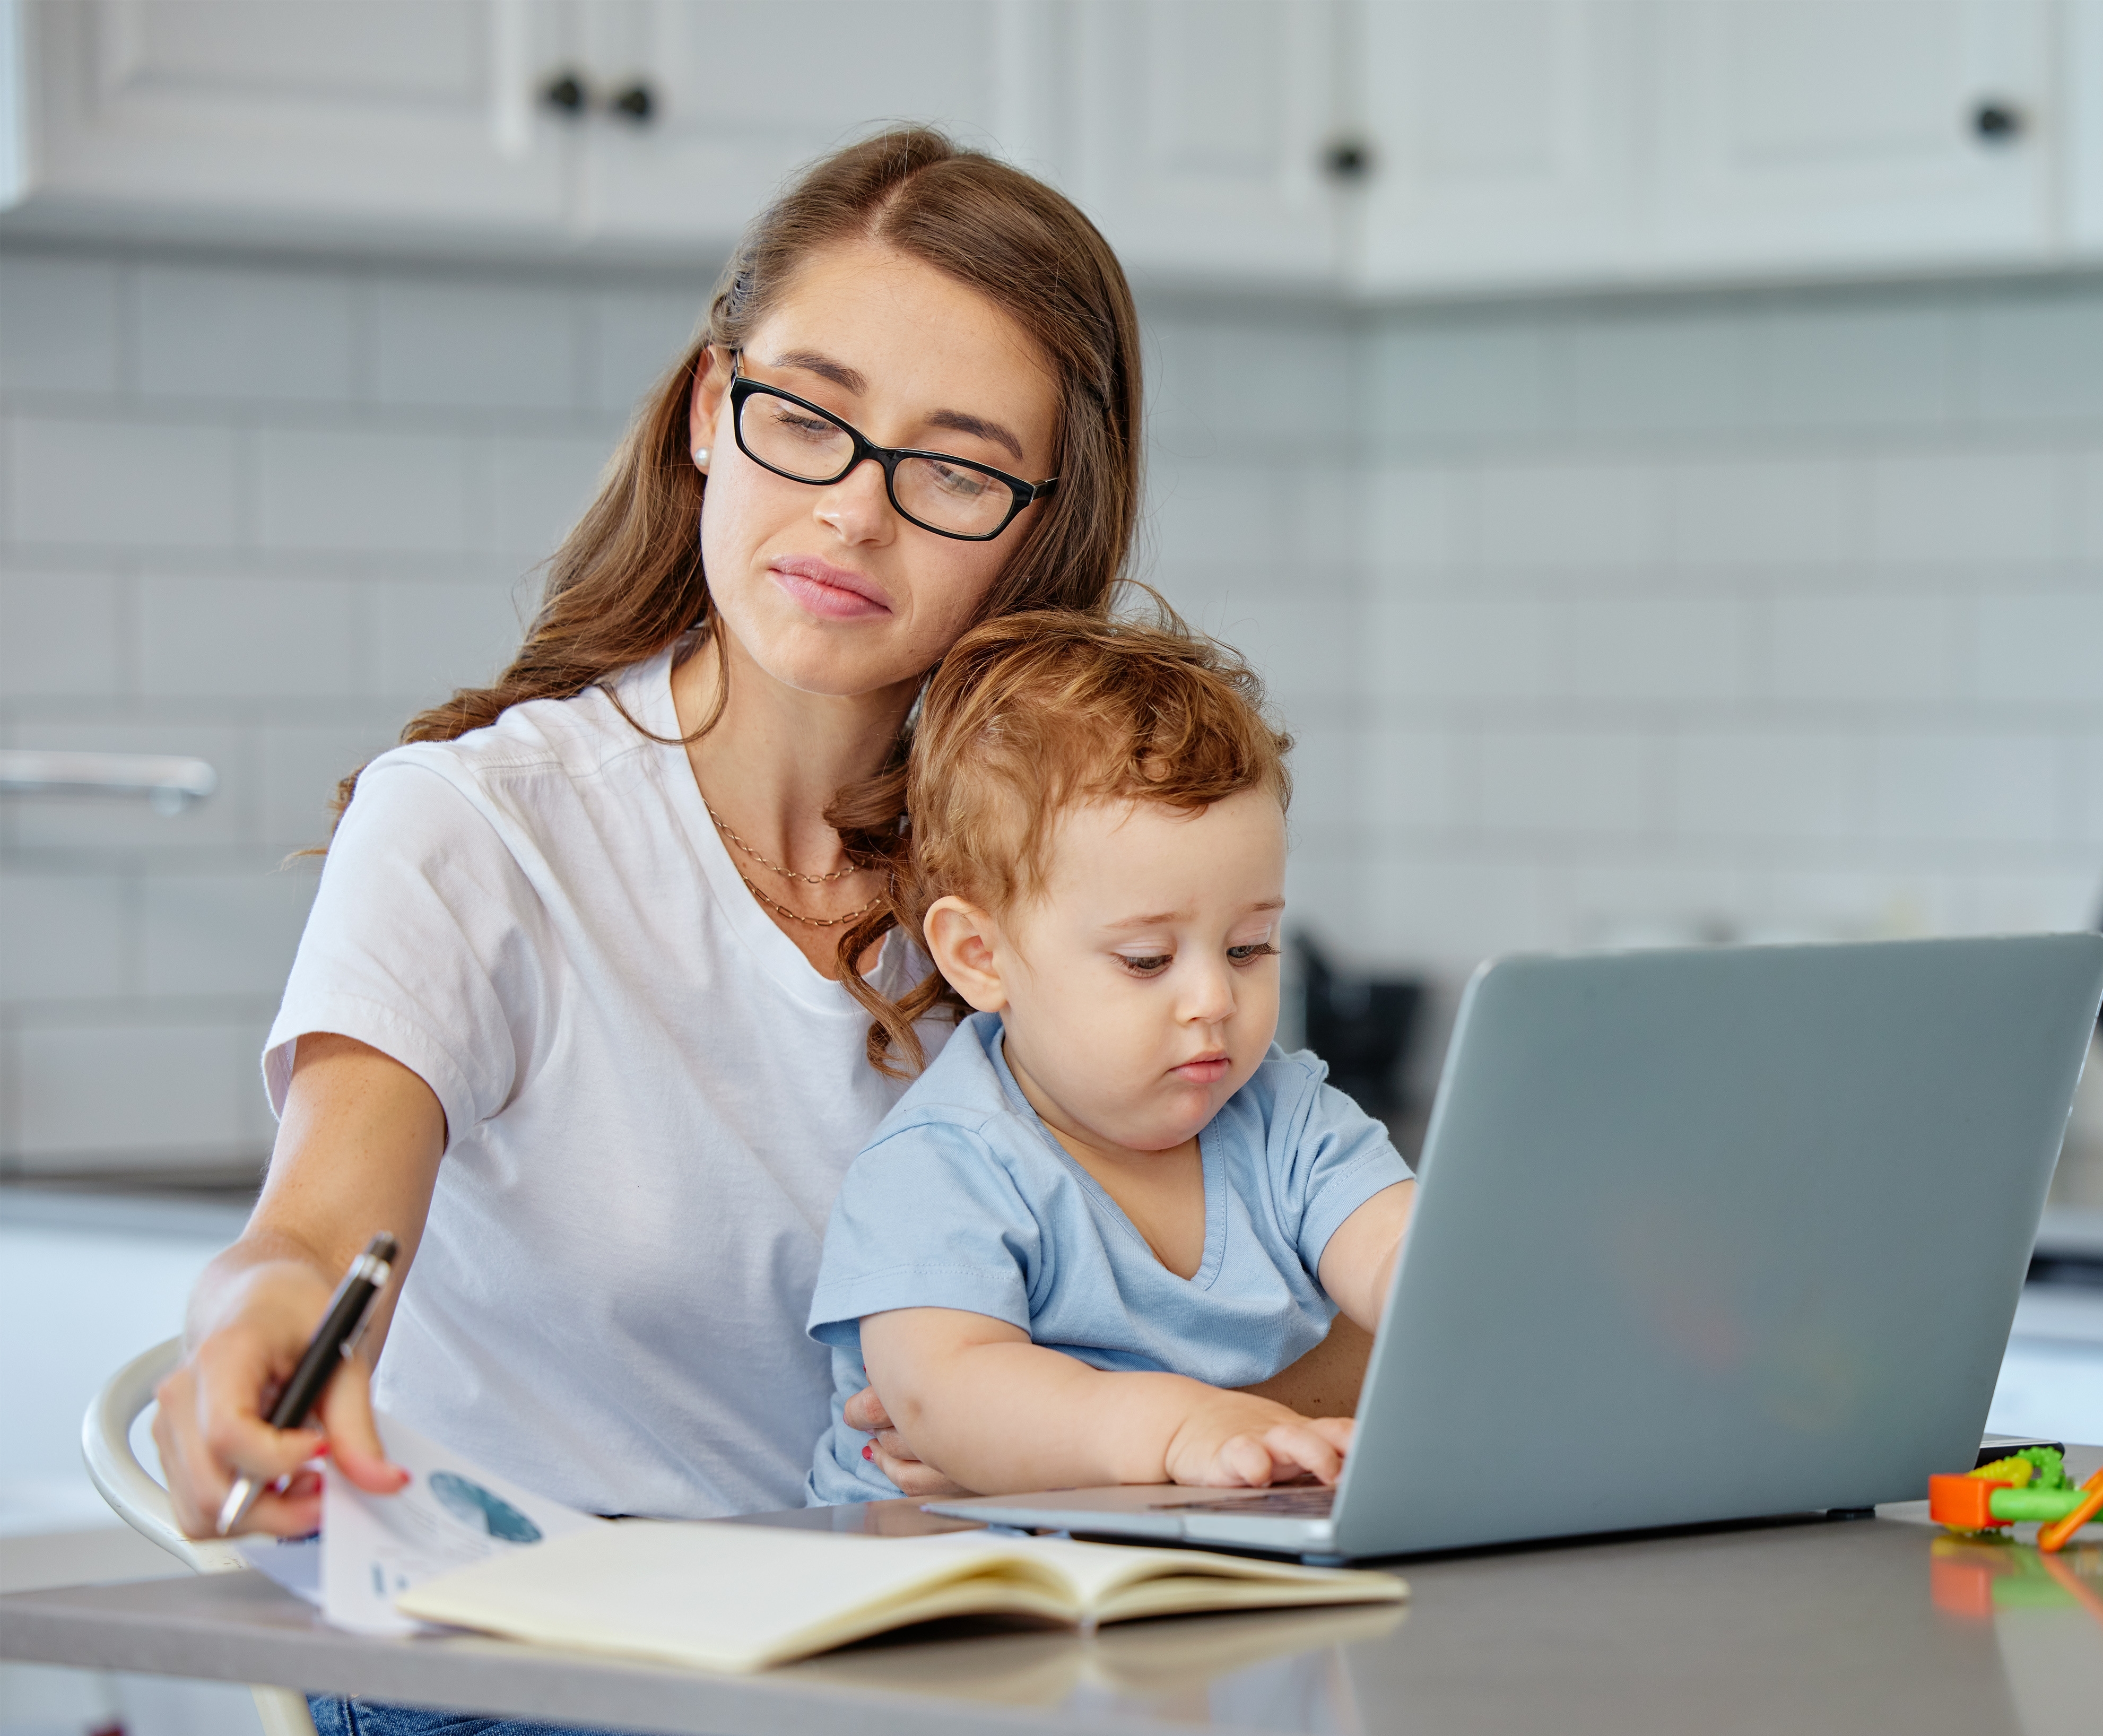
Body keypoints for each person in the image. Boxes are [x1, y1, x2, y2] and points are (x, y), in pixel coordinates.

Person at [150, 126, 1369, 1583]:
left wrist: (1074, 1435)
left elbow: (1339, 1322)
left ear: (1041, 535)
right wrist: (249, 1335)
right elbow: (305, 1241)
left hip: (921, 1639)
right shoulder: (480, 829)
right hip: (520, 1637)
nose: (853, 511)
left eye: (958, 472)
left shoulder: (1065, 884)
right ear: (712, 409)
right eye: (808, 416)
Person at [804, 610, 1416, 1503]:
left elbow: (1407, 1255)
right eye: (1147, 961)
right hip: (931, 1588)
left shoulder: (1290, 1121)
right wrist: (1177, 1429)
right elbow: (945, 1394)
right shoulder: (946, 1165)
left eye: (1249, 948)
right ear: (981, 957)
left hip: (1186, 1567)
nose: (1214, 1000)